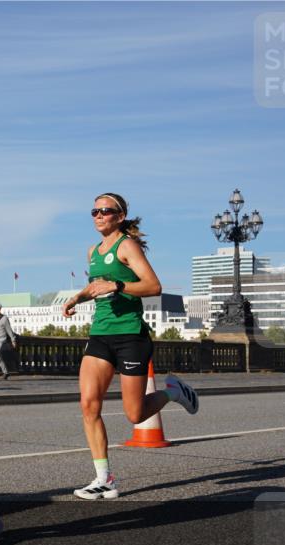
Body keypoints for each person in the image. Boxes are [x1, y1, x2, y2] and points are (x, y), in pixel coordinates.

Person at [62, 193, 199, 500]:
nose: (98, 215)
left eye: (105, 211)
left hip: (131, 337)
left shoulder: (127, 245)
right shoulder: (93, 251)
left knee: (135, 415)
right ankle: (104, 478)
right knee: (88, 405)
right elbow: (97, 285)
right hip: (101, 334)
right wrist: (77, 298)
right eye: (94, 211)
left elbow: (154, 286)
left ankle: (174, 392)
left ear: (120, 216)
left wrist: (118, 285)